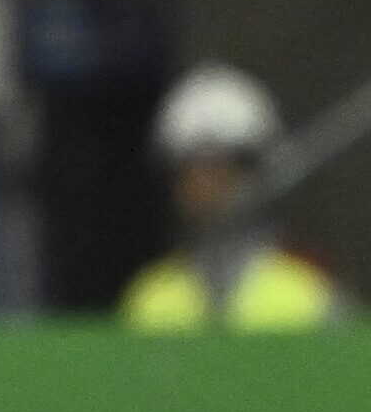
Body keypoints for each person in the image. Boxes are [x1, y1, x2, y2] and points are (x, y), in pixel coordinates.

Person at [119, 62, 343, 332]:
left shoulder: (308, 296)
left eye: (222, 167)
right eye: (191, 167)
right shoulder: (150, 301)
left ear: (258, 172)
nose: (205, 184)